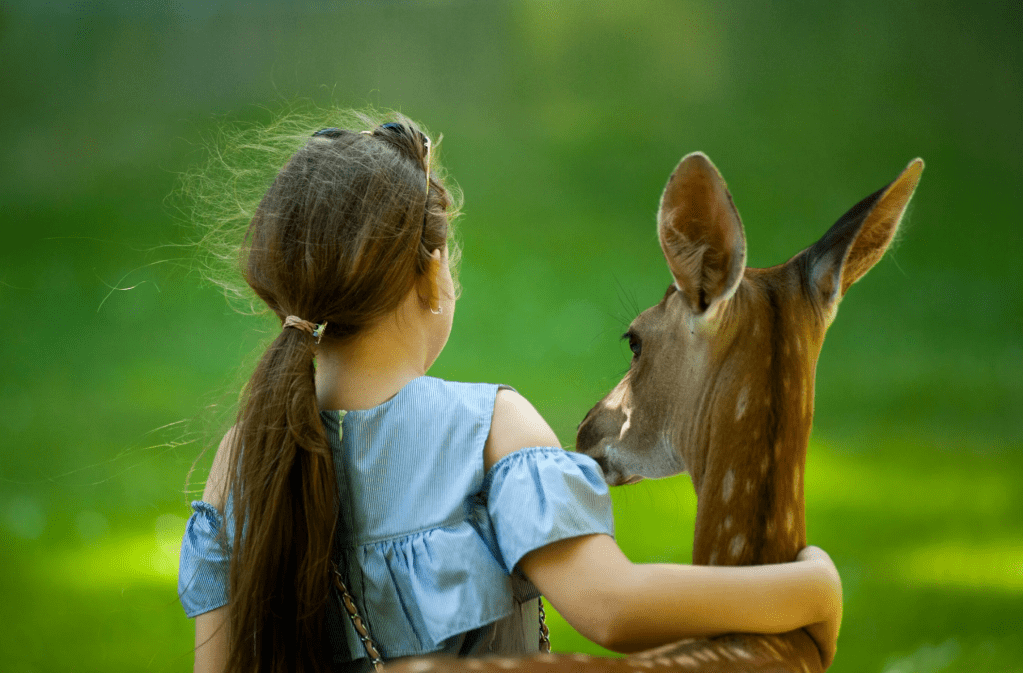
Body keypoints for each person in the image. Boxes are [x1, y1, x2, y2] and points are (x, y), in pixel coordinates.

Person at [177, 113, 843, 673]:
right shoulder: (489, 426)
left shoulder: (244, 453)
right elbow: (612, 607)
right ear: (432, 276)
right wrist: (809, 586)